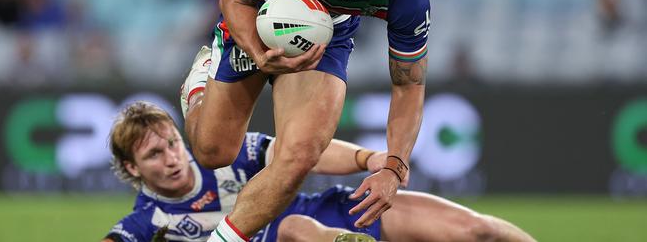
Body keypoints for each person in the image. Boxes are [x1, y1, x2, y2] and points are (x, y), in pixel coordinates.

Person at [181, 0, 431, 240]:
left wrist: (394, 167)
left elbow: (409, 84)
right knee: (212, 152)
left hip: (328, 30)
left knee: (300, 156)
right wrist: (259, 54)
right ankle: (200, 86)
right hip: (262, 14)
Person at [103, 101, 536, 242]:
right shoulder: (146, 223)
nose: (173, 157)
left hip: (332, 212)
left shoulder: (225, 154)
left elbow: (303, 153)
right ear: (131, 167)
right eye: (155, 155)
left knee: (477, 231)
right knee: (294, 228)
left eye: (173, 143)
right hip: (295, 232)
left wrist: (369, 159)